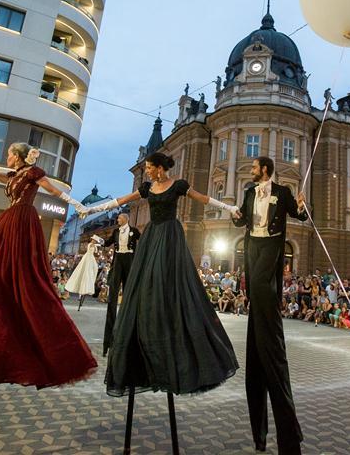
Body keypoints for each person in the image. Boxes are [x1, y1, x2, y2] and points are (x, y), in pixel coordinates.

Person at [80, 151, 239, 398]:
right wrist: (91, 210)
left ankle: (173, 326)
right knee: (145, 280)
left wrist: (229, 207)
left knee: (169, 279)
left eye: (149, 167)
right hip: (152, 235)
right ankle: (147, 328)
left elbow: (203, 198)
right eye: (145, 168)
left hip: (170, 236)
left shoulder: (178, 185)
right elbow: (121, 200)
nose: (147, 171)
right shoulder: (147, 188)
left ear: (160, 167)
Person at [0, 142, 96, 394]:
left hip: (22, 219)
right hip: (11, 217)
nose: (7, 157)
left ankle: (13, 294)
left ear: (18, 156)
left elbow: (52, 189)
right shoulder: (13, 175)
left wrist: (77, 204)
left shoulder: (32, 173)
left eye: (9, 154)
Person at [231, 156, 308, 454]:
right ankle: (262, 322)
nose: (251, 170)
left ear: (264, 169)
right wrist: (236, 215)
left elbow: (299, 216)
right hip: (253, 244)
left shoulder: (283, 192)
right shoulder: (250, 192)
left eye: (254, 167)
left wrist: (301, 205)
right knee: (255, 287)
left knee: (263, 284)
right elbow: (242, 220)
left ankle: (268, 325)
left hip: (272, 244)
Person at [103, 212, 140, 356]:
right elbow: (108, 243)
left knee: (128, 289)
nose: (117, 219)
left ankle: (126, 314)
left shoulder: (134, 231)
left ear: (125, 219)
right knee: (113, 290)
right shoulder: (116, 231)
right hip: (118, 259)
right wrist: (96, 241)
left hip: (130, 259)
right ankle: (111, 320)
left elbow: (143, 241)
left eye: (119, 218)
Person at [64, 235, 102, 310]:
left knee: (95, 268)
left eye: (95, 240)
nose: (94, 241)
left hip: (91, 258)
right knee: (85, 270)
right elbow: (92, 248)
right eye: (94, 240)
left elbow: (96, 252)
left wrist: (98, 246)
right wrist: (97, 245)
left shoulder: (94, 245)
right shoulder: (90, 244)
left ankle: (88, 284)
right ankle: (80, 294)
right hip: (87, 257)